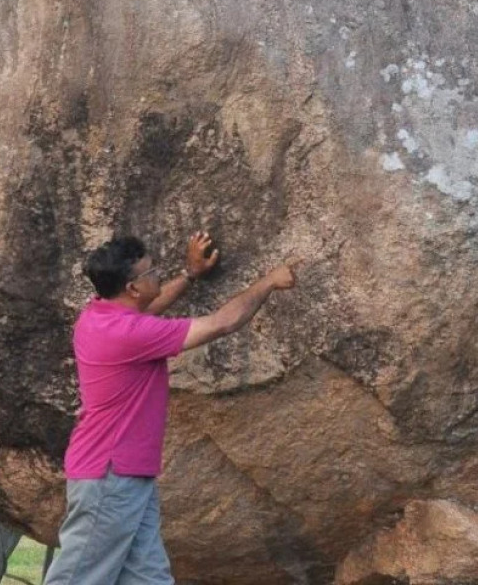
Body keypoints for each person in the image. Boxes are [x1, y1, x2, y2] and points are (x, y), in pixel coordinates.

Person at [43, 229, 297, 585]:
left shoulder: (97, 316)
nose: (157, 275)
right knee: (77, 579)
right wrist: (269, 282)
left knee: (150, 578)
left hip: (127, 476)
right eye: (151, 272)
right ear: (132, 288)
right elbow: (222, 323)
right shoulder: (129, 334)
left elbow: (149, 308)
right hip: (110, 478)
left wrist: (190, 275)